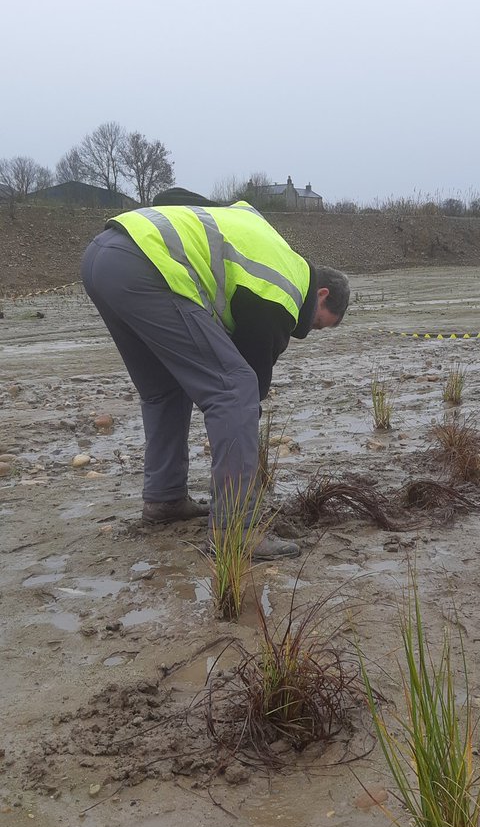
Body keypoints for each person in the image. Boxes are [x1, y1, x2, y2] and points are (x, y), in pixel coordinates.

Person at [80, 188, 350, 560]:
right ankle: (235, 530)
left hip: (105, 254)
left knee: (164, 390)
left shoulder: (261, 233)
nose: (311, 331)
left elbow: (177, 198)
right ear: (320, 295)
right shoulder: (286, 286)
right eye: (320, 325)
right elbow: (248, 382)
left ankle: (165, 499)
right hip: (149, 267)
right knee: (234, 391)